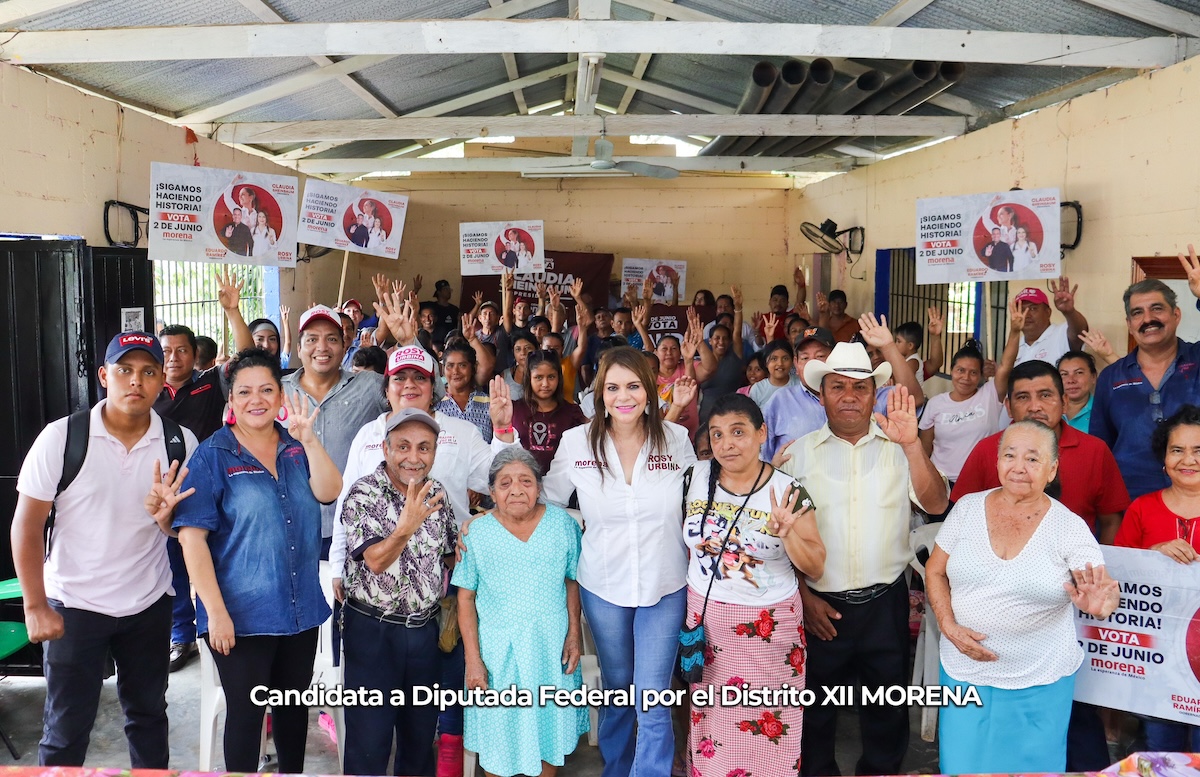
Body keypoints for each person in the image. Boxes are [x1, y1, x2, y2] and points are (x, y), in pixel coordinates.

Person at [11, 332, 198, 767]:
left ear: (161, 381)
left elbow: (183, 529)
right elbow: (27, 523)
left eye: (148, 372)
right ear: (104, 376)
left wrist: (166, 518)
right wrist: (35, 604)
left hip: (148, 604)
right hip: (73, 606)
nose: (136, 381)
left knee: (149, 717)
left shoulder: (179, 442)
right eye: (125, 370)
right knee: (66, 729)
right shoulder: (62, 438)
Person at [778, 343, 948, 777]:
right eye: (838, 386)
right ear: (822, 394)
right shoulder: (797, 457)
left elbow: (936, 503)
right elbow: (782, 540)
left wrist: (912, 447)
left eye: (860, 387)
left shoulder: (899, 446)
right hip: (819, 606)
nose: (849, 396)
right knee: (814, 712)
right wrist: (804, 596)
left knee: (887, 710)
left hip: (884, 603)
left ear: (876, 394)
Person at [172, 349, 339, 774]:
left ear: (281, 394)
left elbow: (328, 491)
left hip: (300, 614)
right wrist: (216, 614)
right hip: (240, 619)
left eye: (266, 389)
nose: (256, 399)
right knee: (247, 718)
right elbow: (191, 540)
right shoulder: (213, 456)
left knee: (291, 712)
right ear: (230, 401)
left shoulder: (296, 447)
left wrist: (310, 438)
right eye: (244, 391)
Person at [927, 420, 1120, 774]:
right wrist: (947, 624)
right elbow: (935, 571)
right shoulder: (967, 508)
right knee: (962, 766)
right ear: (998, 461)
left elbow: (1101, 589)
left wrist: (1102, 604)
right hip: (964, 673)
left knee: (1032, 769)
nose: (1018, 466)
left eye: (1033, 459)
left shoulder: (1068, 526)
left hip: (1039, 682)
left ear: (1052, 470)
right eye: (1010, 455)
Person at [539, 346, 698, 776]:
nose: (623, 396)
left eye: (632, 386)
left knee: (652, 696)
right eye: (612, 387)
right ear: (600, 394)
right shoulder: (576, 442)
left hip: (665, 585)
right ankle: (617, 767)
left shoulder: (676, 440)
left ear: (648, 390)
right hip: (603, 586)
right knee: (618, 690)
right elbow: (547, 500)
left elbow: (702, 497)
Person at [683, 394, 825, 777]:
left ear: (762, 433)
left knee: (769, 717)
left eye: (738, 432)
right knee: (713, 720)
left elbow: (815, 565)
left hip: (767, 628)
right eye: (717, 435)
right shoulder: (693, 478)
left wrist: (790, 534)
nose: (726, 444)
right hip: (706, 625)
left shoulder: (788, 491)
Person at [455, 447, 589, 776]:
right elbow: (464, 599)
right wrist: (473, 660)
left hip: (549, 651)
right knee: (499, 739)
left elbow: (573, 582)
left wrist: (574, 635)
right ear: (492, 492)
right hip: (498, 655)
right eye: (505, 483)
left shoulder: (562, 525)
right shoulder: (477, 534)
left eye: (526, 481)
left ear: (539, 487)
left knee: (548, 735)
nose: (516, 490)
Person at [339, 408, 456, 777]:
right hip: (373, 632)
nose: (413, 457)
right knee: (369, 745)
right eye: (403, 446)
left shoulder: (436, 492)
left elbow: (450, 554)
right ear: (386, 449)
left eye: (424, 448)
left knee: (420, 742)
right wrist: (405, 527)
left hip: (423, 632)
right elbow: (374, 560)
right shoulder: (363, 493)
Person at [156, 271, 252, 672]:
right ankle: (180, 634)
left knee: (210, 560)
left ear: (193, 354)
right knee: (172, 563)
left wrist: (232, 312)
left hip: (210, 487)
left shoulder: (209, 384)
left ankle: (216, 626)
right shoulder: (148, 393)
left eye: (181, 350)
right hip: (161, 491)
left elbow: (247, 358)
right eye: (167, 350)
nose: (174, 357)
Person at [953, 359, 1130, 543]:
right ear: (1008, 407)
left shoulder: (1095, 451)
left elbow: (1111, 522)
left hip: (1075, 567)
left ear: (1064, 402)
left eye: (1045, 395)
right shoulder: (987, 449)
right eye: (1022, 397)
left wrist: (1096, 567)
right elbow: (962, 515)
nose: (1035, 407)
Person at [1114, 405, 1200, 751]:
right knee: (1161, 750)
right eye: (1176, 450)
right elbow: (1117, 577)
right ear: (1163, 459)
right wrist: (1153, 555)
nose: (1187, 460)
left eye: (1198, 450)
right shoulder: (1142, 509)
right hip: (1157, 662)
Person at [282, 304, 389, 554]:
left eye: (332, 339)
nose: (322, 347)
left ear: (344, 347)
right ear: (299, 348)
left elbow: (428, 395)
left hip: (356, 525)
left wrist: (408, 340)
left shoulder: (370, 387)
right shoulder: (276, 392)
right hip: (292, 526)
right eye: (312, 339)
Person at [1092, 254, 1200, 500]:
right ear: (1129, 324)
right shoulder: (1111, 377)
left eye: (1157, 308)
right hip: (1131, 504)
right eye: (1138, 313)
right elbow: (1100, 450)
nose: (1148, 319)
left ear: (1177, 315)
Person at [919, 300, 1021, 491]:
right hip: (941, 484)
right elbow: (925, 449)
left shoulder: (990, 395)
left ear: (982, 374)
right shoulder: (935, 403)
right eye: (960, 370)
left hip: (981, 484)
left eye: (973, 372)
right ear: (951, 370)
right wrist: (935, 337)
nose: (966, 377)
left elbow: (1006, 365)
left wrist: (1015, 331)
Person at [512, 349, 586, 474]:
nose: (545, 384)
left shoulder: (571, 412)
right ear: (529, 377)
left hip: (561, 487)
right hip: (520, 484)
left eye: (551, 377)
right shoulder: (514, 410)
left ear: (559, 377)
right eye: (538, 377)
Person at [699, 286, 747, 422]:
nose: (721, 342)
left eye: (725, 338)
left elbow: (737, 331)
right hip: (707, 415)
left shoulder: (735, 355)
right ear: (710, 341)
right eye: (717, 338)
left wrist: (738, 307)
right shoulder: (704, 362)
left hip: (733, 412)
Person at [1013, 280, 1089, 366]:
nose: (1026, 315)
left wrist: (1069, 312)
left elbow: (1080, 331)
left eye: (1033, 308)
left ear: (1048, 312)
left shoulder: (1060, 333)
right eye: (1022, 310)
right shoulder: (1015, 345)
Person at [438, 341, 494, 443]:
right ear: (443, 369)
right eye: (450, 366)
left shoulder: (489, 403)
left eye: (462, 365)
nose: (455, 371)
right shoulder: (435, 402)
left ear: (473, 368)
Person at [749, 339, 801, 408]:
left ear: (792, 362)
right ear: (766, 363)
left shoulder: (800, 385)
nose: (780, 364)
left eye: (785, 358)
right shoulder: (758, 389)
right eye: (774, 359)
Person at [1059, 350, 1099, 432]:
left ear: (1093, 377)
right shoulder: (1050, 411)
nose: (1071, 380)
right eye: (1064, 374)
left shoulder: (1102, 412)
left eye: (1079, 373)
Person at [501, 332, 538, 401]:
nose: (523, 353)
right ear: (513, 352)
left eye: (527, 348)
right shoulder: (505, 375)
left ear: (536, 349)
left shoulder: (544, 373)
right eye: (518, 349)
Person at [430, 279, 461, 345]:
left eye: (449, 289)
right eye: (446, 289)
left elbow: (457, 327)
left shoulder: (454, 309)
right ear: (438, 292)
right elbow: (411, 304)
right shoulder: (430, 307)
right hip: (433, 343)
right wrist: (416, 289)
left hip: (450, 344)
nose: (449, 291)